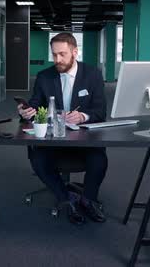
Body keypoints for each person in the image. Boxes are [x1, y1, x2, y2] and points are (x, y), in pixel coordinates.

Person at [17, 32, 107, 225]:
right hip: (53, 137)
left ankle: (87, 200)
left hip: (82, 137)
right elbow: (34, 105)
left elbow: (100, 111)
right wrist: (26, 112)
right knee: (38, 159)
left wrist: (84, 116)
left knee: (99, 159)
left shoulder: (93, 75)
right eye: (54, 54)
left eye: (62, 54)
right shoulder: (44, 77)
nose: (57, 59)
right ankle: (67, 199)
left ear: (75, 52)